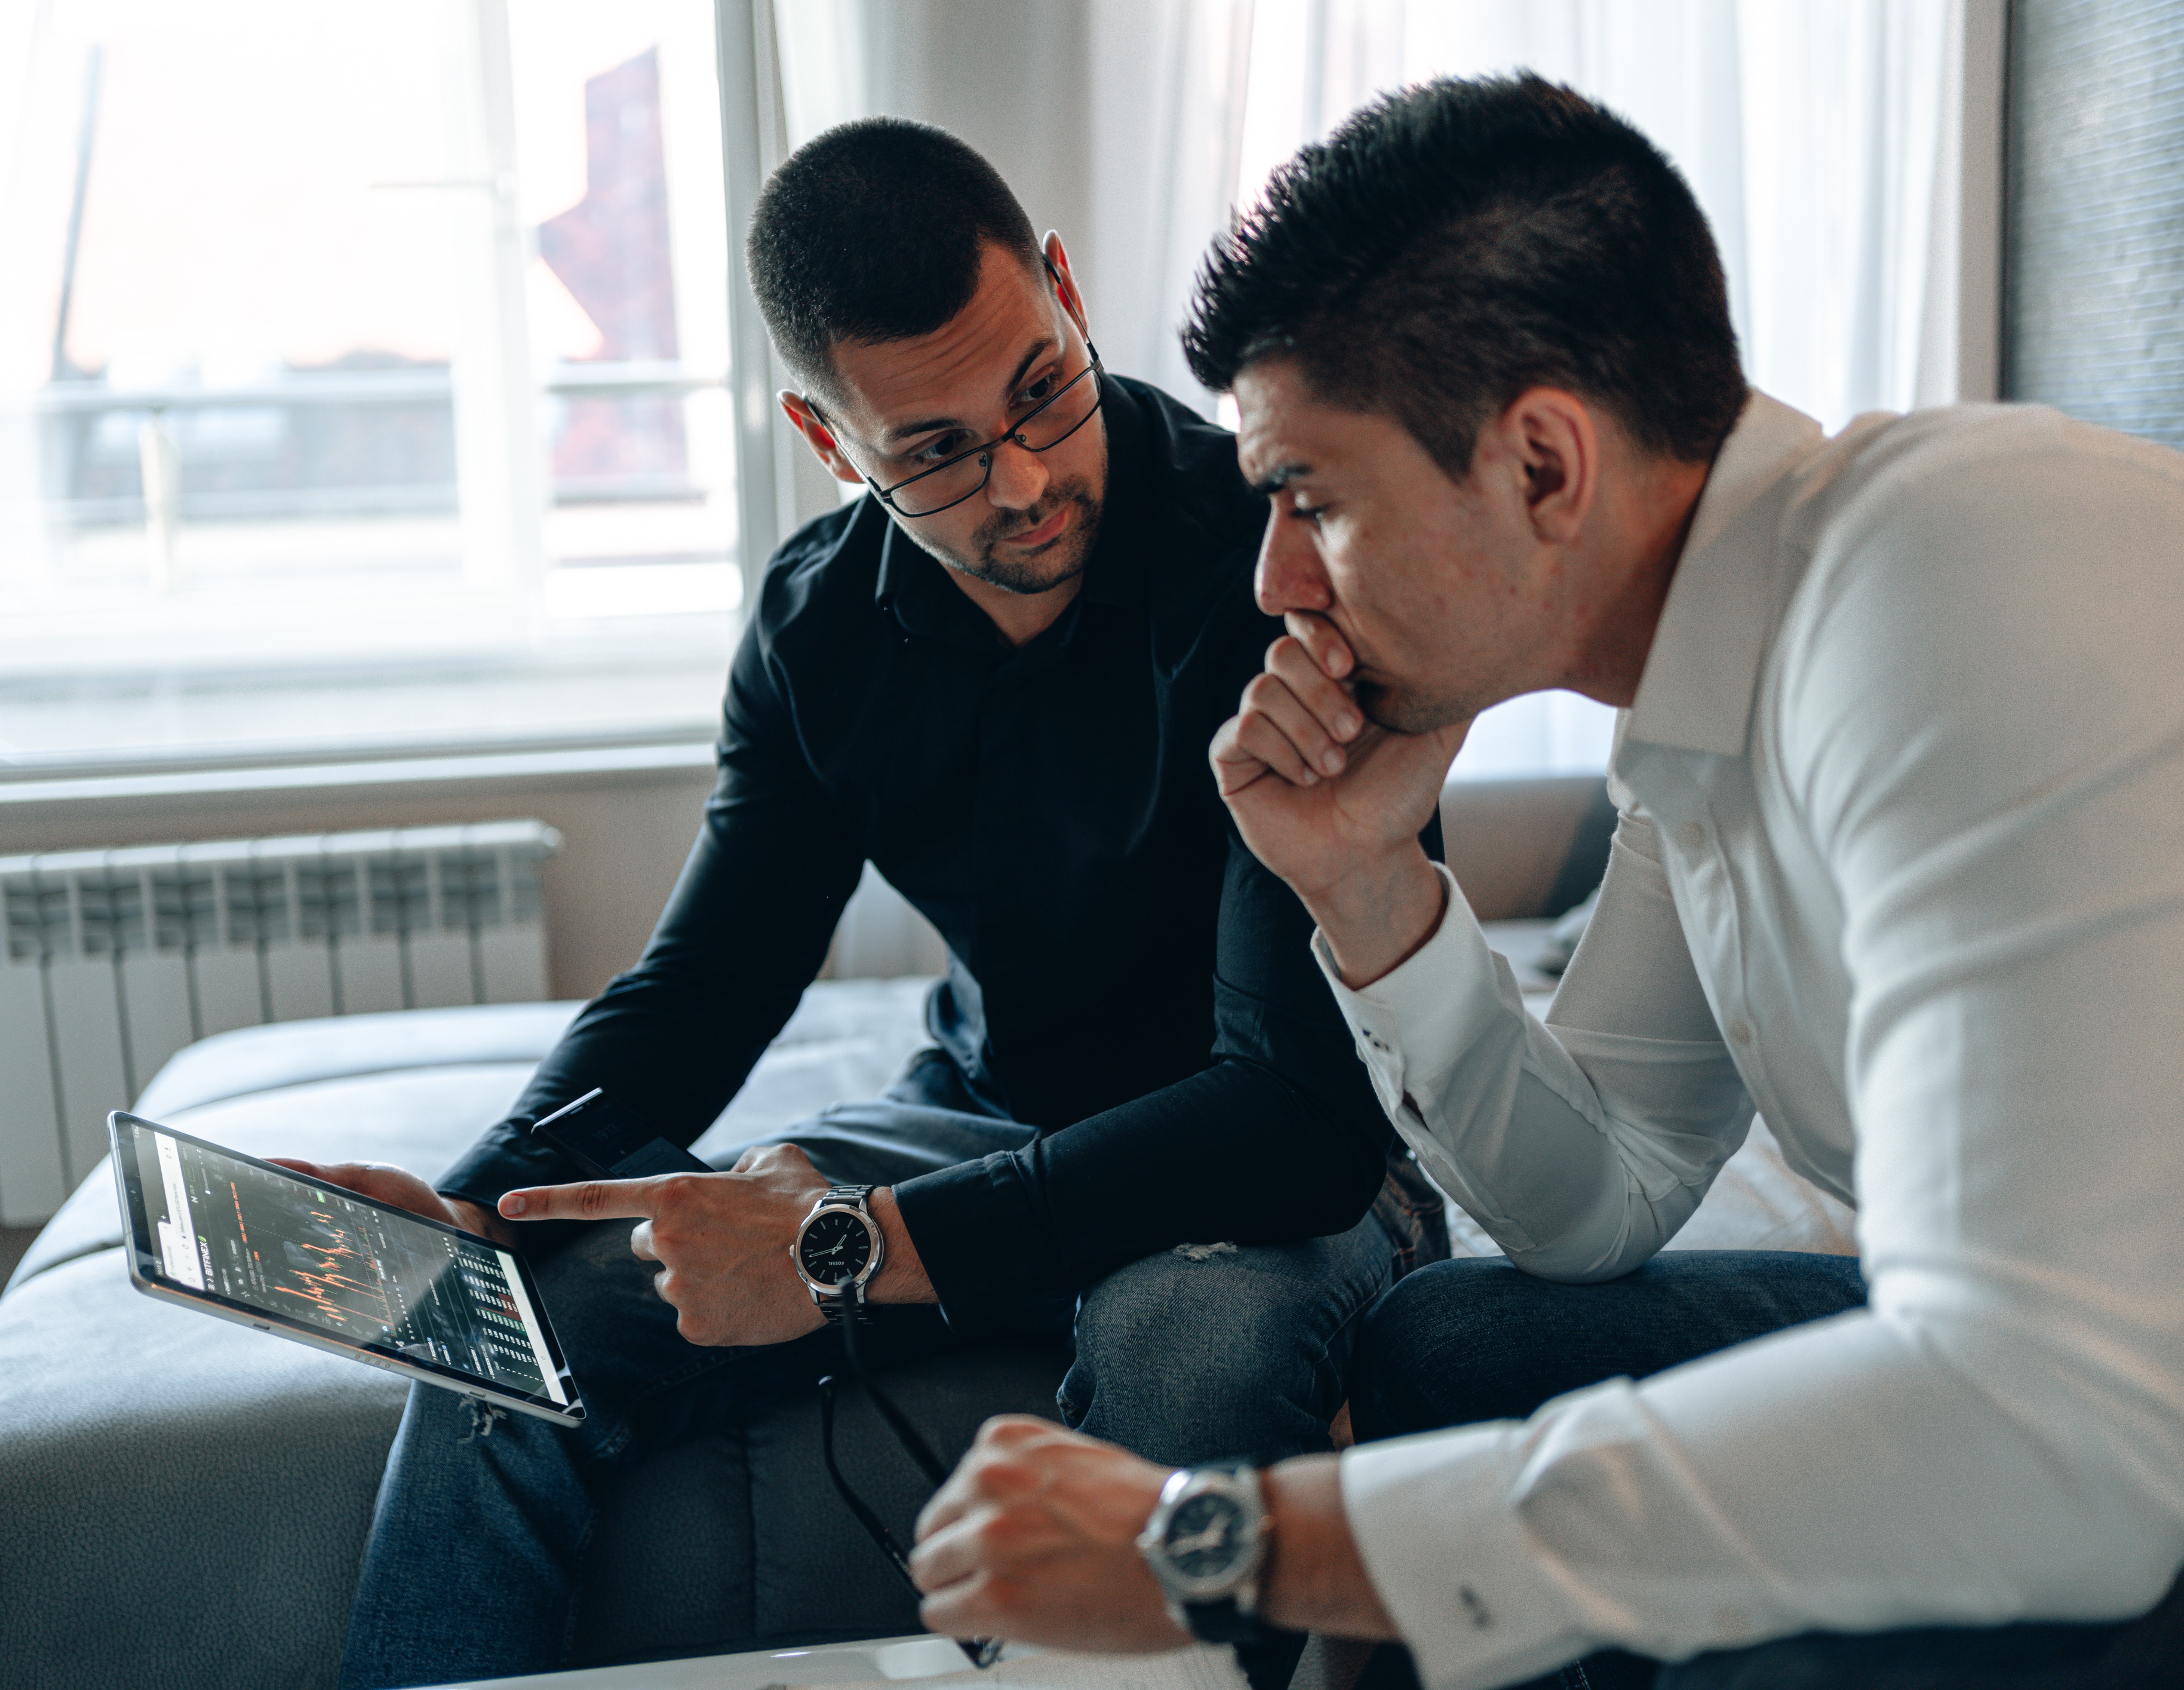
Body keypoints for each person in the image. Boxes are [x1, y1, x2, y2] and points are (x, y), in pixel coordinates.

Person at [904, 74, 2184, 1690]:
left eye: (1310, 500)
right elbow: (1590, 1206)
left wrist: (1231, 1545)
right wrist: (1365, 886)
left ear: (1542, 463)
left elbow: (2054, 1434)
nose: (1270, 583)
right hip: (2106, 1371)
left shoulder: (1954, 581)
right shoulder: (1708, 713)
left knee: (1758, 1663)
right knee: (1455, 1349)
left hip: (2125, 1406)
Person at [288, 116, 1448, 1690]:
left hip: (1274, 1167)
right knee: (508, 1335)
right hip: (988, 1123)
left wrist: (856, 1241)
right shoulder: (818, 625)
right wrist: (480, 1200)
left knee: (1191, 1348)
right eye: (936, 450)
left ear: (1061, 290)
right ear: (831, 443)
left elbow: (1286, 1119)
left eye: (1041, 386)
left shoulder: (1278, 556)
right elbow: (705, 984)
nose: (1026, 478)